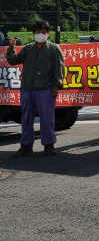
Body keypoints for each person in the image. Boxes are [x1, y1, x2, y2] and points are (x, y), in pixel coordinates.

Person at [6, 21, 65, 157]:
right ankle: (26, 145)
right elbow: (13, 60)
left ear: (48, 34)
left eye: (43, 32)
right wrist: (11, 48)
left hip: (46, 88)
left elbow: (59, 68)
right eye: (38, 32)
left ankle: (49, 145)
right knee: (26, 118)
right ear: (33, 33)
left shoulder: (54, 49)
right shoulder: (28, 49)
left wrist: (56, 86)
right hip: (27, 88)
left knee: (47, 118)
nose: (40, 35)